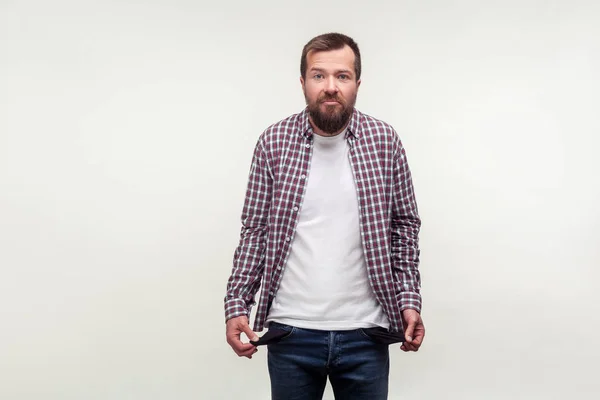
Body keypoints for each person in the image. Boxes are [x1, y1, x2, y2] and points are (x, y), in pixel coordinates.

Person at [224, 32, 425, 400]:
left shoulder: (384, 141)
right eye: (319, 75)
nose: (330, 87)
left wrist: (409, 299)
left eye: (342, 76)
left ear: (357, 84)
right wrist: (237, 303)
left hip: (366, 332)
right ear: (302, 82)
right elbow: (255, 230)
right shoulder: (274, 142)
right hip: (290, 333)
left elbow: (404, 227)